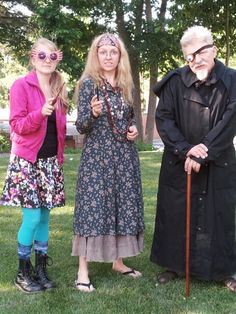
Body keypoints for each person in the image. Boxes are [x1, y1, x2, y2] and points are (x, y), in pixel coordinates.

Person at [150, 25, 236, 292]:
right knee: (177, 213)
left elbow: (230, 119)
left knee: (219, 214)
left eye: (201, 52)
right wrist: (187, 149)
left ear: (214, 49)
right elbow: (163, 119)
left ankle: (224, 269)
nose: (196, 59)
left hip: (219, 160)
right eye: (189, 55)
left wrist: (205, 151)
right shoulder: (174, 81)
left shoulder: (233, 80)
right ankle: (174, 265)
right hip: (180, 159)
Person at [72, 33, 144, 292]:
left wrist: (133, 129)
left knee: (121, 206)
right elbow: (80, 126)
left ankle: (118, 261)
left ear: (120, 55)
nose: (108, 56)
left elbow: (131, 117)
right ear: (96, 54)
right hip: (97, 158)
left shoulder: (126, 83)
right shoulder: (89, 83)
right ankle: (83, 270)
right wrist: (92, 113)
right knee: (93, 208)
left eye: (113, 52)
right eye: (103, 52)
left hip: (124, 156)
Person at [0, 38, 68, 293]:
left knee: (45, 218)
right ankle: (22, 272)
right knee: (32, 217)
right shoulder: (21, 85)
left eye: (53, 56)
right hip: (27, 161)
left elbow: (60, 132)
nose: (47, 60)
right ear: (32, 58)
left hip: (50, 163)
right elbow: (16, 126)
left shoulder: (59, 87)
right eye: (42, 56)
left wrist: (59, 160)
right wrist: (39, 113)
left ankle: (40, 269)